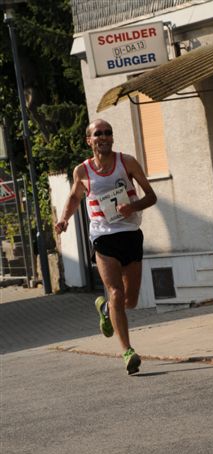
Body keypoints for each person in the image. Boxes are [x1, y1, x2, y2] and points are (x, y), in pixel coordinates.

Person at [55, 119, 157, 374]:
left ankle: (104, 309)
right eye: (97, 134)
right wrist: (63, 219)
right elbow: (74, 198)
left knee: (130, 300)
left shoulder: (127, 162)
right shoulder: (83, 171)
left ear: (112, 137)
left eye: (107, 133)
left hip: (131, 233)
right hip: (103, 237)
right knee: (116, 294)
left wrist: (131, 207)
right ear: (88, 140)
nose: (103, 137)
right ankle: (128, 352)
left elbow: (151, 196)